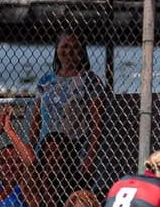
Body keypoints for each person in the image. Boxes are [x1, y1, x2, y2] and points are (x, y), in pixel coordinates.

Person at [28, 31, 105, 180]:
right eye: (64, 46)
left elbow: (97, 123)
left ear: (82, 52)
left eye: (75, 47)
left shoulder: (89, 80)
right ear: (57, 50)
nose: (69, 51)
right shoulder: (46, 80)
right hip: (46, 150)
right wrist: (30, 148)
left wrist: (90, 154)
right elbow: (36, 119)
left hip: (75, 149)